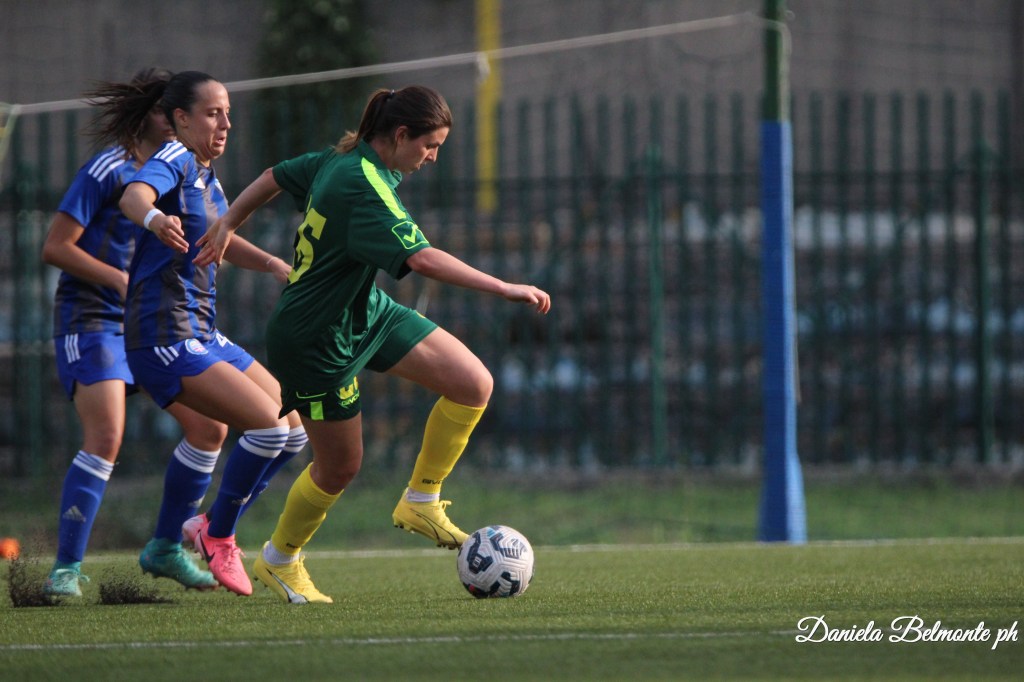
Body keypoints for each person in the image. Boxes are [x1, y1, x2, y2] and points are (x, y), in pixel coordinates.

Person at [195, 85, 551, 603]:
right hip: (315, 338)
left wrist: (229, 221)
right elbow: (422, 259)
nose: (433, 158)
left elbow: (274, 175)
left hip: (364, 311)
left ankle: (421, 499)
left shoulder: (343, 159)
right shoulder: (361, 183)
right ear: (401, 135)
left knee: (473, 383)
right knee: (339, 468)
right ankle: (280, 559)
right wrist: (504, 286)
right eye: (430, 146)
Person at [40, 68, 299, 598]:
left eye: (227, 113)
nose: (224, 124)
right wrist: (144, 238)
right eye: (212, 113)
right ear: (173, 117)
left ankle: (168, 544)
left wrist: (273, 263)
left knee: (249, 430)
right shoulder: (140, 164)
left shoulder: (201, 172)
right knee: (107, 437)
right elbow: (72, 237)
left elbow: (216, 235)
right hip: (107, 319)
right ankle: (67, 568)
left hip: (184, 325)